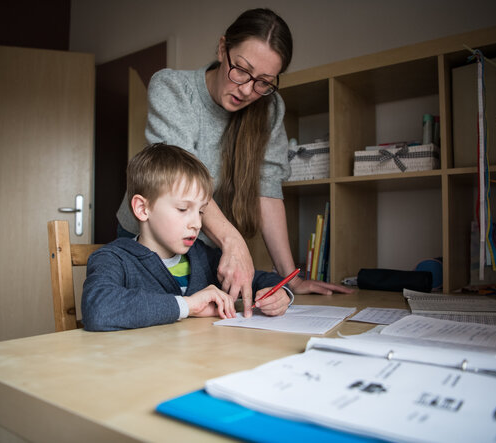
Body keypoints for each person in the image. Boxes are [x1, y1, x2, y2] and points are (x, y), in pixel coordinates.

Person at [115, 8, 351, 318]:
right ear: (222, 48)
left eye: (264, 82)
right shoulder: (173, 88)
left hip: (205, 251)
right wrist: (233, 241)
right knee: (152, 320)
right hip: (153, 239)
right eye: (241, 69)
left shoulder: (269, 108)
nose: (246, 89)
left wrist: (289, 277)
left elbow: (267, 191)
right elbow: (179, 180)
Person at [83, 144, 294, 331]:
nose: (197, 223)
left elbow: (258, 279)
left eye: (201, 211)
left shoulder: (203, 256)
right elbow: (98, 309)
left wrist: (280, 293)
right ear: (142, 208)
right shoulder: (113, 259)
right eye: (183, 208)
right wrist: (188, 305)